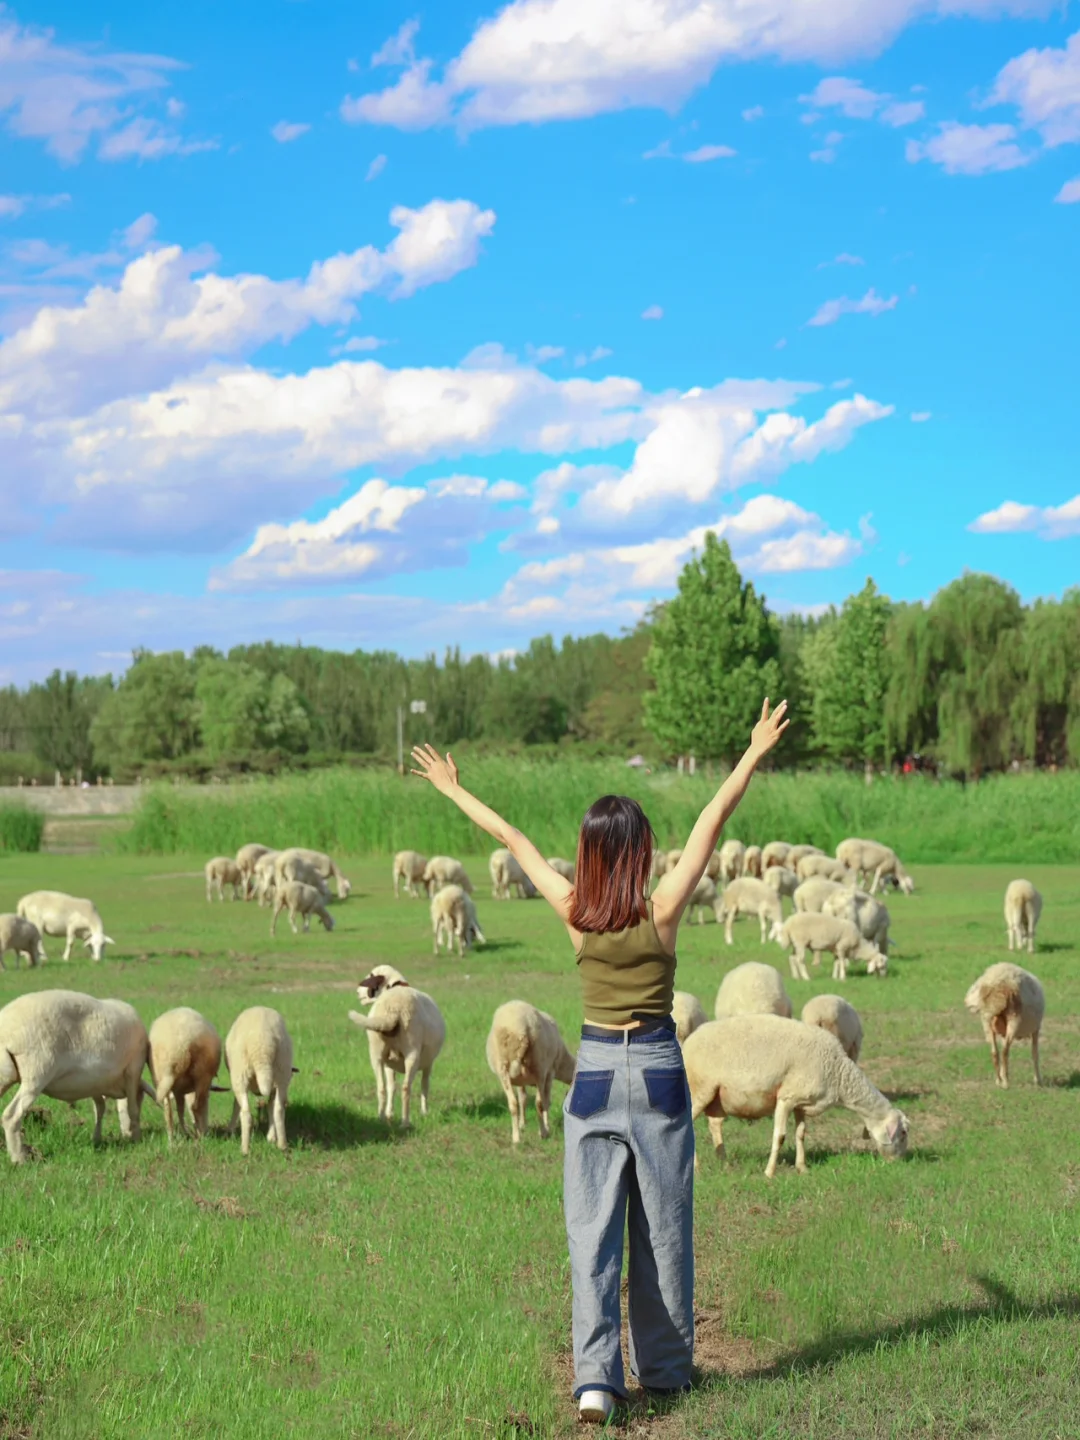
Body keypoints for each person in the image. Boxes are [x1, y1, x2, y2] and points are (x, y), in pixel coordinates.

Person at [410, 697, 789, 1424]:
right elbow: (714, 819)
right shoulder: (665, 907)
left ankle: (595, 1383)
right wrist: (751, 752)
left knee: (592, 1231)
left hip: (589, 1075)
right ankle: (670, 1374)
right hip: (655, 1068)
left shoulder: (573, 907)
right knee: (663, 1227)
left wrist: (453, 788)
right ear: (642, 851)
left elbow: (514, 840)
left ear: (587, 854)